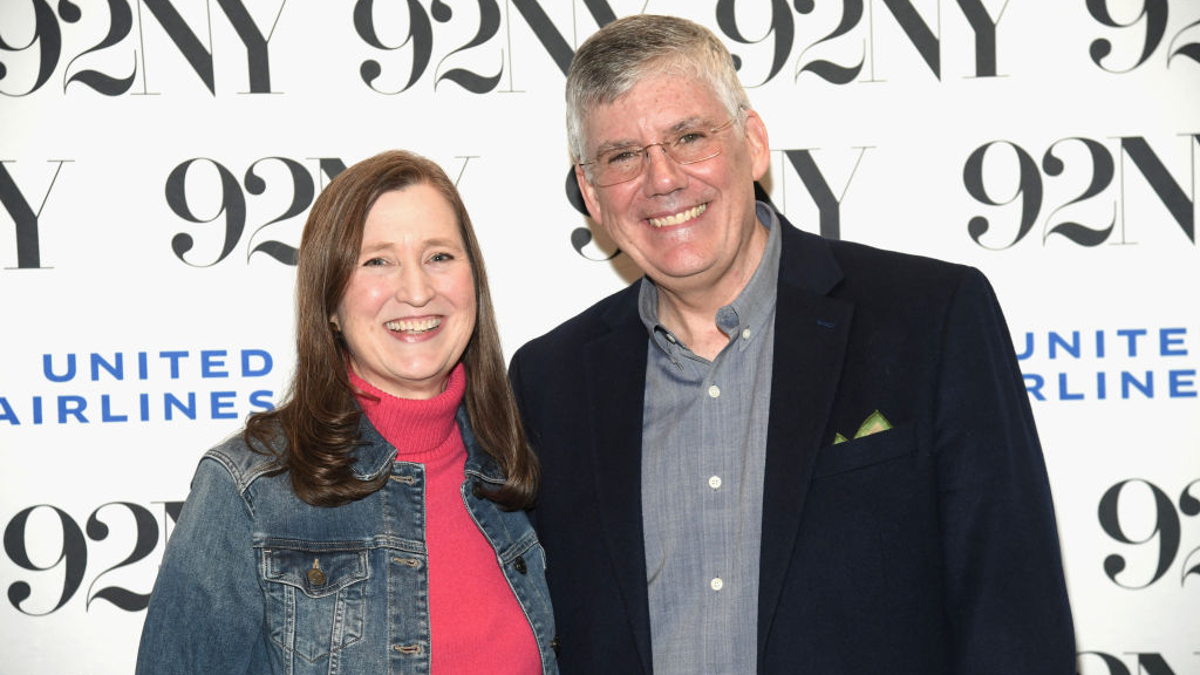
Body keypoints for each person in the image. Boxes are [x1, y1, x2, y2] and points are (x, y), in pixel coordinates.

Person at [508, 14, 1074, 675]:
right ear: (591, 193)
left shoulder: (931, 319)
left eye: (689, 137)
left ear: (753, 144)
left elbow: (1012, 610)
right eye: (623, 156)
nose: (662, 179)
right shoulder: (549, 382)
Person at [136, 150, 558, 675]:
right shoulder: (250, 489)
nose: (417, 290)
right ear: (330, 304)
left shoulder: (516, 465)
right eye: (377, 260)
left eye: (440, 256)